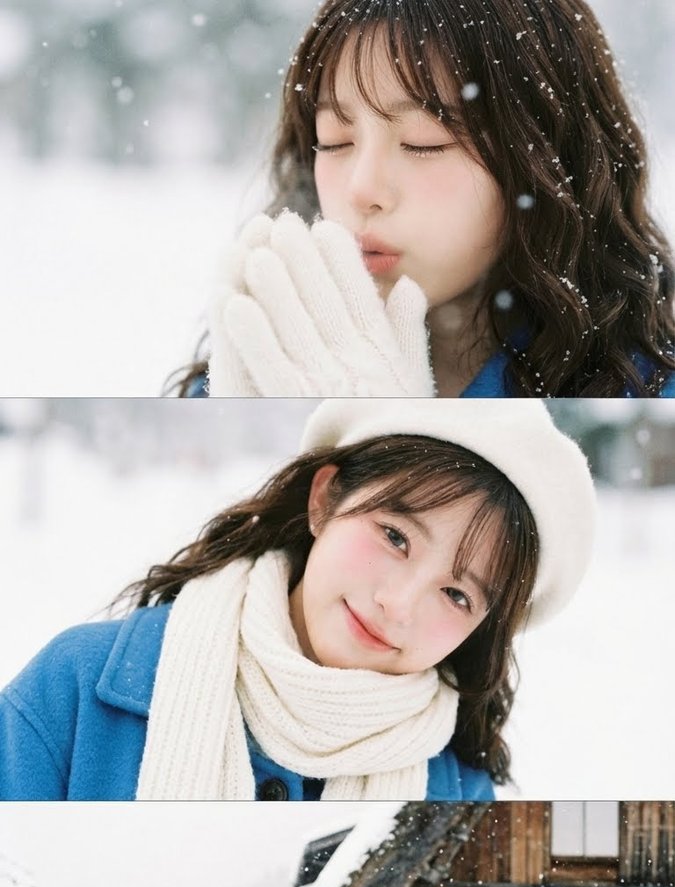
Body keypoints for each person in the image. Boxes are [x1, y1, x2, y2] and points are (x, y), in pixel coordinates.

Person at [0, 398, 596, 801]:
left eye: (457, 594)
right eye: (395, 536)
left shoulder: (457, 786)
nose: (399, 603)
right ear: (325, 500)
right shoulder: (77, 688)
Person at [174, 0, 675, 400]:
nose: (362, 189)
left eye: (424, 141)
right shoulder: (260, 357)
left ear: (547, 162)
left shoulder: (645, 387)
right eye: (335, 140)